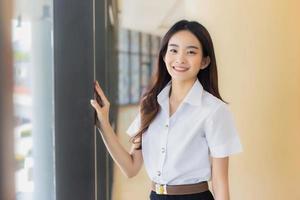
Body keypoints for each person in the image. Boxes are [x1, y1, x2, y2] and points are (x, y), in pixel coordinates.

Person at [90, 19, 243, 200]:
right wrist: (104, 124)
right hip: (156, 196)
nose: (180, 59)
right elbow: (131, 167)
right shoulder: (150, 104)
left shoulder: (214, 110)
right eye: (174, 50)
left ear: (204, 61)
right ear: (164, 56)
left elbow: (220, 182)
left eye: (191, 52)